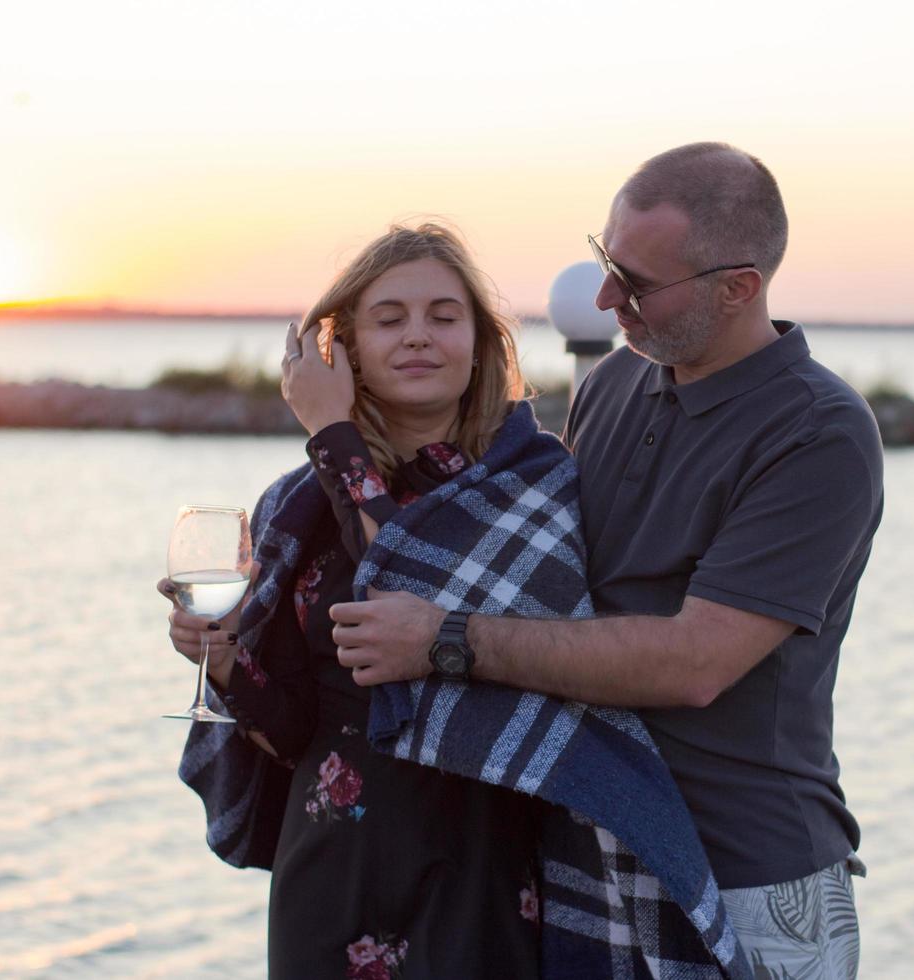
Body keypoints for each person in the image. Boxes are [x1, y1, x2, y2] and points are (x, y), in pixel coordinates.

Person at [325, 143, 885, 979]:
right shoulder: (614, 380)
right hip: (586, 848)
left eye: (639, 282)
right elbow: (519, 567)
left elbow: (696, 662)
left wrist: (447, 639)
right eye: (605, 260)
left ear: (740, 287)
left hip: (749, 877)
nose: (605, 298)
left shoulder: (819, 434)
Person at [160, 222, 752, 979]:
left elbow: (407, 590)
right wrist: (223, 661)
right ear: (347, 348)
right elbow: (296, 730)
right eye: (389, 319)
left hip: (480, 873)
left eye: (444, 316)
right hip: (330, 873)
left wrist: (332, 431)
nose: (418, 337)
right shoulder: (295, 508)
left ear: (479, 341)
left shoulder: (535, 485)